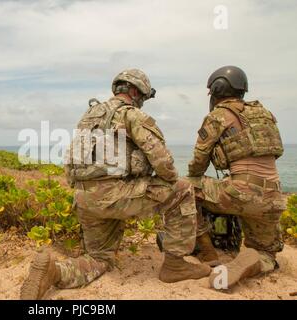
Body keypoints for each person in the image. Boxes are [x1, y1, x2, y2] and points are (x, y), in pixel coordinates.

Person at [20, 69, 211, 300]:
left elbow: (73, 161)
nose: (142, 102)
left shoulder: (88, 116)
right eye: (142, 96)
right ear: (133, 91)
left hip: (84, 199)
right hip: (116, 197)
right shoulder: (132, 115)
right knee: (182, 190)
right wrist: (162, 182)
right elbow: (163, 161)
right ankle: (175, 265)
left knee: (99, 259)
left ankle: (54, 272)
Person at [187, 65, 286, 289]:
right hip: (273, 198)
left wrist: (195, 178)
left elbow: (197, 163)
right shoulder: (265, 115)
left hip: (240, 193)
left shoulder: (217, 116)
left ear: (217, 89)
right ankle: (255, 259)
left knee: (183, 188)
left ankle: (208, 252)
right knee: (268, 253)